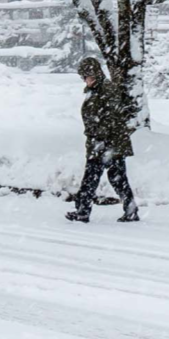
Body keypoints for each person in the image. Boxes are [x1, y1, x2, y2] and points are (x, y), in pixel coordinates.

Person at [65, 56, 140, 223]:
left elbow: (110, 119)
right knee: (116, 178)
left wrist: (100, 139)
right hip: (108, 144)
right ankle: (130, 210)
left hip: (106, 144)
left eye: (88, 76)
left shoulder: (106, 90)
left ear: (96, 75)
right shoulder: (97, 90)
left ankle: (83, 212)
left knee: (91, 180)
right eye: (84, 77)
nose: (86, 80)